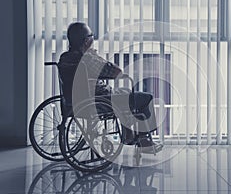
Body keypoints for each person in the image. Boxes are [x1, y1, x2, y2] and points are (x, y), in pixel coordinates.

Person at [58, 22, 162, 153]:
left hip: (73, 102)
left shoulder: (65, 58)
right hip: (98, 102)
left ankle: (129, 133)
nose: (93, 39)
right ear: (85, 41)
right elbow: (117, 72)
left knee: (126, 92)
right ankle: (144, 139)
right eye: (91, 36)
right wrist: (93, 54)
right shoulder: (88, 58)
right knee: (146, 98)